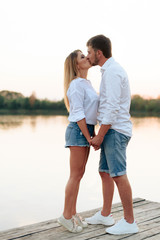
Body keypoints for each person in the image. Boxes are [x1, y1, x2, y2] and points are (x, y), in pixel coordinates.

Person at [85, 35, 139, 235]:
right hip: (112, 130)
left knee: (118, 174)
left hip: (115, 131)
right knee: (105, 172)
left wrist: (100, 135)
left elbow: (112, 108)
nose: (88, 56)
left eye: (89, 52)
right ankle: (106, 214)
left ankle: (129, 221)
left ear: (98, 53)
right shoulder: (108, 71)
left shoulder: (113, 72)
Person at [58, 50, 99, 233]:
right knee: (75, 175)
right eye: (82, 57)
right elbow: (78, 114)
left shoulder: (86, 83)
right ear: (76, 65)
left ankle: (73, 213)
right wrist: (89, 136)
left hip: (86, 129)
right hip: (78, 130)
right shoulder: (76, 85)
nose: (87, 58)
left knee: (80, 174)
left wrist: (93, 132)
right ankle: (66, 216)